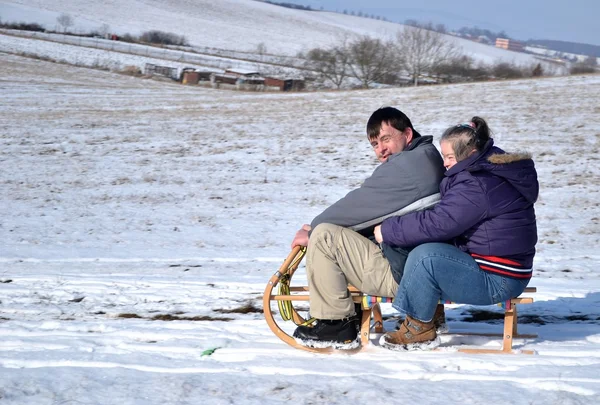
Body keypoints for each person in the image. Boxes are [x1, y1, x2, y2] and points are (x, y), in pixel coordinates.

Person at [374, 116, 538, 351]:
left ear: (469, 154)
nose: (445, 164)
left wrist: (388, 229)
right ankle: (430, 314)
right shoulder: (485, 174)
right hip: (501, 268)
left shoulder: (477, 184)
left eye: (450, 157)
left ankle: (420, 329)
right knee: (427, 249)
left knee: (426, 256)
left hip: (499, 278)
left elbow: (440, 222)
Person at [291, 107, 445, 349]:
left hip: (406, 274)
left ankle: (335, 324)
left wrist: (312, 231)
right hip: (416, 267)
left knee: (324, 237)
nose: (380, 149)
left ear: (406, 134)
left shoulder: (408, 166)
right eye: (374, 144)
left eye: (386, 139)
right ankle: (344, 314)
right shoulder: (425, 156)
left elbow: (361, 202)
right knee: (333, 233)